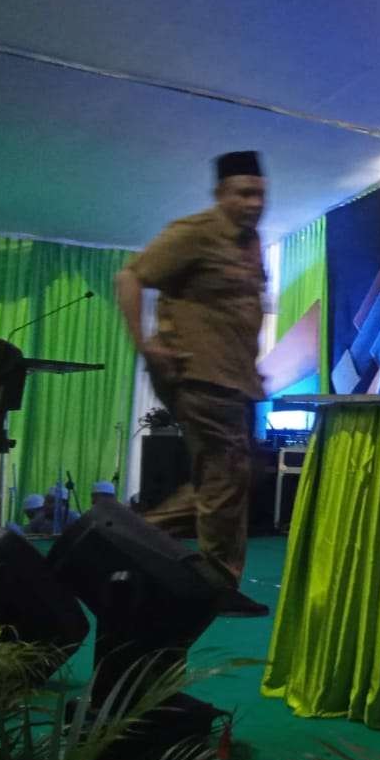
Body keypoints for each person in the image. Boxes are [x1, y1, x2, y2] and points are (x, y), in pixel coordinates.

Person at [114, 150, 270, 617]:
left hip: (234, 378)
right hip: (197, 374)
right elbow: (130, 276)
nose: (253, 202)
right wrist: (144, 343)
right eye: (243, 193)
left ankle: (127, 535)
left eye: (260, 193)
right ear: (221, 194)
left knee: (231, 477)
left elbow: (239, 311)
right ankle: (218, 582)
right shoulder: (193, 233)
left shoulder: (252, 241)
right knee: (225, 475)